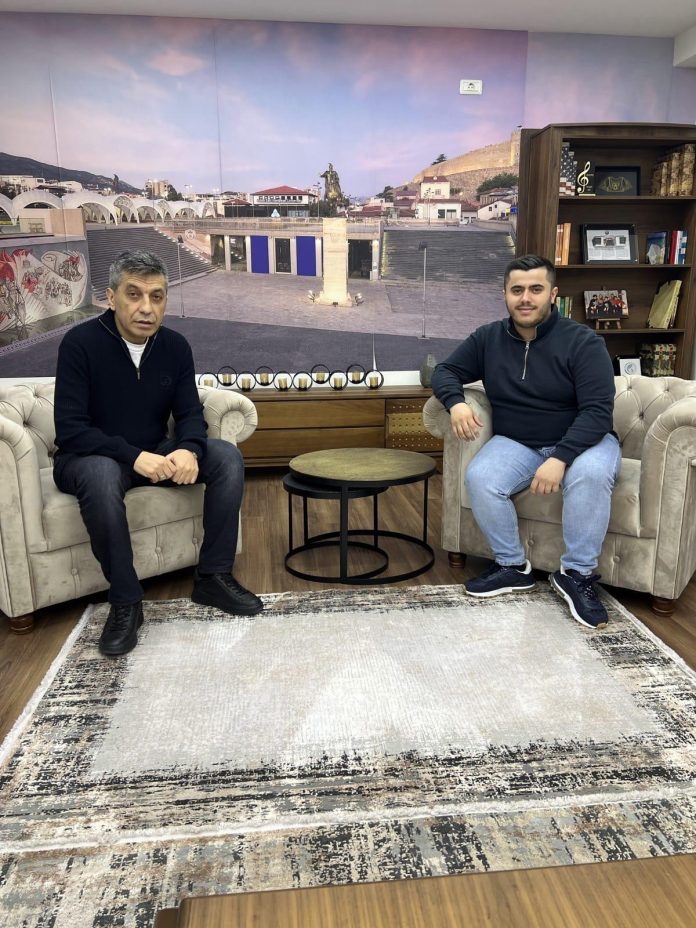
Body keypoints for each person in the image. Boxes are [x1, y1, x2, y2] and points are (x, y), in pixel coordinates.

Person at [53, 250, 263, 657]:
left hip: (154, 451)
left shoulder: (175, 347)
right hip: (88, 458)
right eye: (134, 295)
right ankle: (126, 601)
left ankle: (213, 577)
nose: (146, 308)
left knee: (226, 457)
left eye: (157, 296)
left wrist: (188, 449)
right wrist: (133, 456)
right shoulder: (80, 344)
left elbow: (188, 413)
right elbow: (72, 430)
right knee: (100, 475)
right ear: (111, 297)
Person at [431, 254, 620, 629]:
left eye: (536, 289)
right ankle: (512, 566)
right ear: (505, 294)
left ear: (553, 294)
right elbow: (444, 370)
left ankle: (577, 575)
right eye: (517, 290)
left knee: (591, 475)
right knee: (481, 477)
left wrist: (561, 458)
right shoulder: (488, 338)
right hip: (520, 441)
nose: (526, 298)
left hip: (585, 441)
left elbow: (598, 412)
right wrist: (456, 403)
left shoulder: (583, 342)